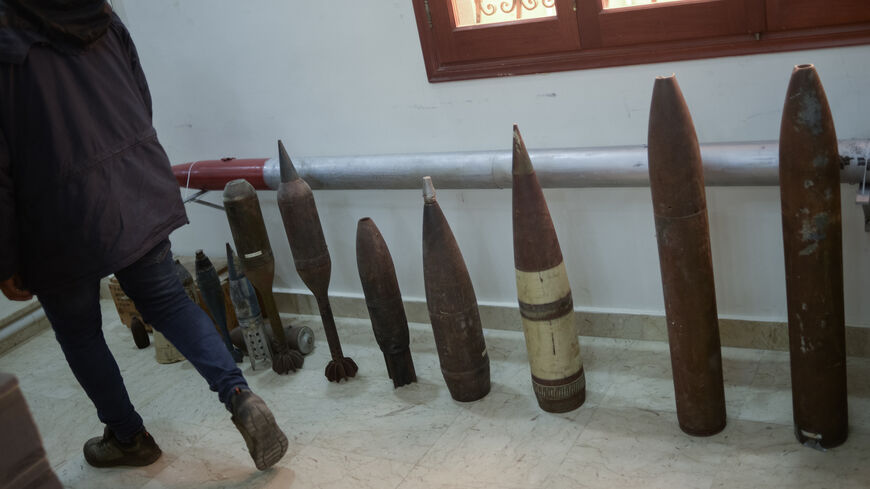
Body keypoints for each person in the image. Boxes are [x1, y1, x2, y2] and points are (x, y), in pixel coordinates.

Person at [0, 0, 288, 471]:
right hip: (134, 186)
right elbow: (140, 100)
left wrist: (6, 258)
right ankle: (239, 395)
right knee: (169, 303)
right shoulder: (98, 12)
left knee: (79, 332)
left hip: (55, 215)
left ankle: (129, 437)